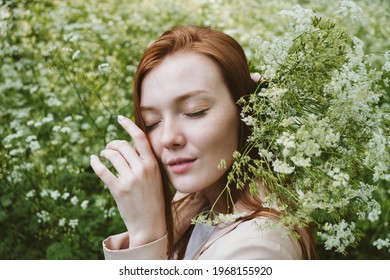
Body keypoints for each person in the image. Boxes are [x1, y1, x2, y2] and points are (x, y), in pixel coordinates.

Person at [90, 25, 316, 259]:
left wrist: (146, 239)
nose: (168, 138)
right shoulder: (204, 202)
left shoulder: (257, 249)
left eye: (195, 111)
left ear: (245, 111)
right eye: (151, 122)